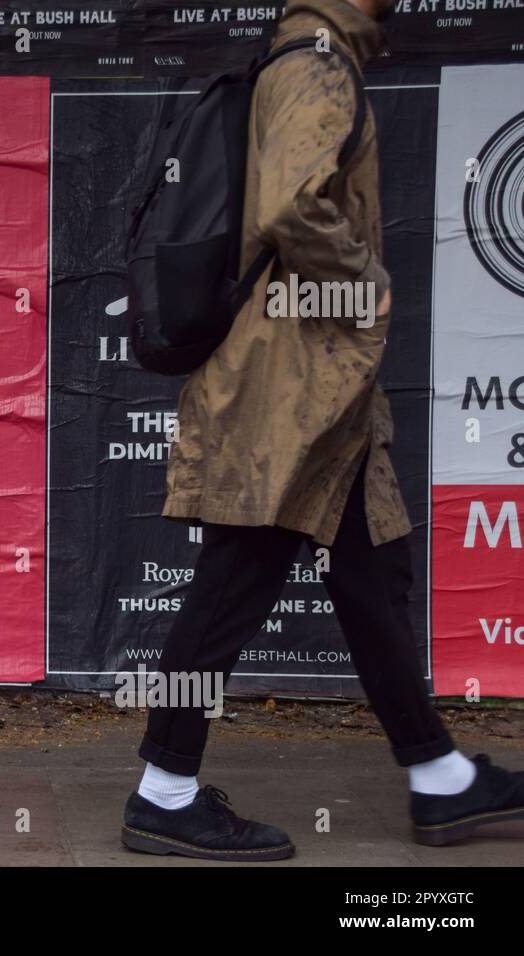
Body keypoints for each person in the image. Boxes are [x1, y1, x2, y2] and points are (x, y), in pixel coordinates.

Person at [121, 0, 524, 860]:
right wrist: (366, 282)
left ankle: (439, 778)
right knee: (240, 572)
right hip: (295, 383)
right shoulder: (316, 63)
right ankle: (164, 790)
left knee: (371, 575)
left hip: (320, 384)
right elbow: (292, 206)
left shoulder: (310, 57)